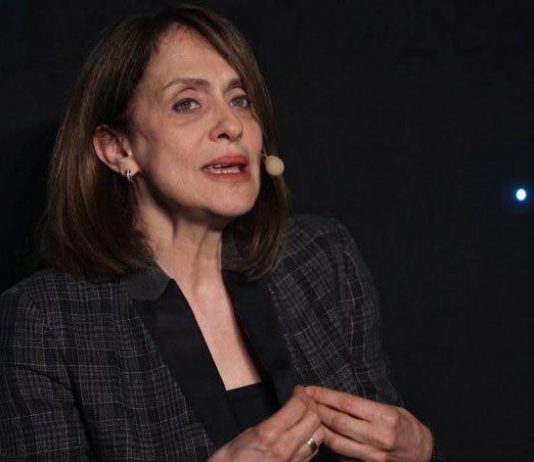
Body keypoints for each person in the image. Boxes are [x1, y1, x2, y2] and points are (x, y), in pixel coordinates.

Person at [0, 4, 444, 461]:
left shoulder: (322, 260)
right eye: (187, 103)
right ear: (118, 148)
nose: (232, 125)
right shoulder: (46, 320)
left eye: (240, 99)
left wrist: (422, 452)